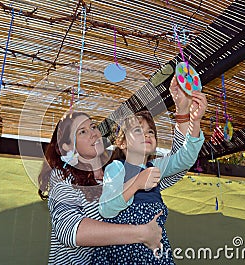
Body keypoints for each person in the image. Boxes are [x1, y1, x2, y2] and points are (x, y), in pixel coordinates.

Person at [37, 78, 206, 264]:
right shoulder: (63, 176)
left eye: (93, 126)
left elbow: (177, 164)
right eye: (82, 131)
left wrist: (183, 112)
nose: (94, 132)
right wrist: (140, 233)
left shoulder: (120, 167)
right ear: (68, 147)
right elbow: (68, 230)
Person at [92, 93, 206, 264]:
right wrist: (137, 183)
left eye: (150, 132)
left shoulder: (155, 167)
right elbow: (106, 209)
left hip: (155, 245)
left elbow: (185, 158)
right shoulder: (116, 168)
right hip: (125, 246)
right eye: (138, 130)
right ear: (122, 143)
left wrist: (195, 122)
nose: (147, 135)